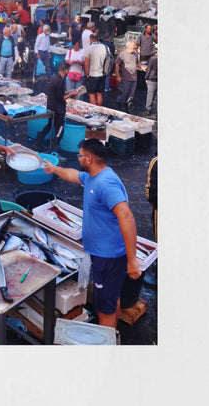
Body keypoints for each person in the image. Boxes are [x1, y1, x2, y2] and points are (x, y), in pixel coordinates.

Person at [41, 138, 141, 329]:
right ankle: (113, 334)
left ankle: (105, 345)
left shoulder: (106, 184)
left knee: (105, 310)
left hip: (108, 258)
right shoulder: (92, 177)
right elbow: (73, 175)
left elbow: (127, 217)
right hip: (102, 255)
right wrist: (54, 170)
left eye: (80, 156)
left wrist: (132, 259)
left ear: (89, 158)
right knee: (112, 299)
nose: (77, 159)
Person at [44, 63, 82, 149]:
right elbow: (61, 98)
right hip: (58, 110)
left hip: (51, 107)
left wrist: (69, 91)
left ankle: (38, 141)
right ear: (66, 70)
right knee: (59, 132)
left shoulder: (54, 78)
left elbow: (58, 93)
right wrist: (72, 94)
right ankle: (55, 151)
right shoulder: (60, 81)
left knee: (49, 125)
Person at [85, 36, 110, 106]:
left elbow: (86, 63)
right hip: (102, 74)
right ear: (98, 39)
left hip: (92, 75)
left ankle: (94, 112)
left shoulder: (89, 48)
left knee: (92, 94)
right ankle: (99, 111)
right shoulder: (105, 47)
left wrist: (87, 73)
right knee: (99, 94)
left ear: (91, 39)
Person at [115, 40, 139, 112]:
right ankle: (119, 109)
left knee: (131, 95)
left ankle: (127, 110)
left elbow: (137, 63)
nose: (135, 46)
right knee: (123, 94)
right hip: (125, 78)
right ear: (128, 45)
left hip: (134, 78)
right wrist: (118, 76)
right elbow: (117, 65)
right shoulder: (122, 54)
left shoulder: (135, 54)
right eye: (133, 44)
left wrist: (142, 67)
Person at [138, 25, 154, 101]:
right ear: (145, 29)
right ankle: (141, 83)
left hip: (150, 55)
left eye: (151, 29)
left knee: (149, 69)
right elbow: (137, 44)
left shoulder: (152, 36)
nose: (150, 30)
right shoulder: (141, 36)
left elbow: (157, 40)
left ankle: (147, 83)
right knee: (142, 69)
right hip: (143, 55)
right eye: (149, 29)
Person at [144, 47, 158, 114]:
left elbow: (149, 69)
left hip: (152, 79)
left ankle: (148, 110)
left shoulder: (153, 59)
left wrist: (146, 78)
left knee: (150, 95)